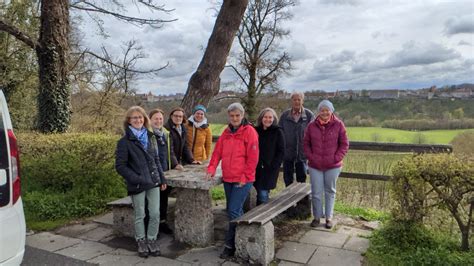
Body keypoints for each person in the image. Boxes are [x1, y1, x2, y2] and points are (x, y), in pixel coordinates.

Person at [206, 102, 259, 259]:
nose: (235, 118)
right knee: (234, 210)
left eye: (237, 115)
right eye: (232, 116)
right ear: (229, 116)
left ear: (242, 115)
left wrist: (244, 176)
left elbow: (253, 158)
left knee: (233, 210)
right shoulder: (226, 132)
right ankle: (243, 238)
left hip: (243, 179)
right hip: (228, 178)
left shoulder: (249, 131)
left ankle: (230, 245)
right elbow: (217, 153)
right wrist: (211, 168)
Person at [115, 106, 167, 257]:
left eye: (140, 117)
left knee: (155, 213)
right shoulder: (124, 142)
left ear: (144, 119)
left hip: (153, 182)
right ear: (129, 121)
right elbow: (120, 166)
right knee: (140, 214)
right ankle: (141, 241)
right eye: (134, 118)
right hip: (137, 183)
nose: (138, 120)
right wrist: (135, 178)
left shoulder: (151, 137)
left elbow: (156, 160)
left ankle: (151, 239)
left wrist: (162, 178)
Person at [303, 100, 349, 229]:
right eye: (322, 110)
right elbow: (306, 143)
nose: (324, 112)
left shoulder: (339, 125)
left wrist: (336, 158)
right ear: (319, 111)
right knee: (316, 192)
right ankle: (317, 217)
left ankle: (329, 218)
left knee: (330, 191)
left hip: (333, 166)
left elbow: (344, 144)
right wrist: (311, 157)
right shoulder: (311, 126)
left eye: (327, 110)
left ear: (331, 111)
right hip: (315, 165)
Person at [279, 91, 314, 186]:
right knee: (287, 179)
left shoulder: (308, 115)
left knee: (302, 179)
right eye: (295, 99)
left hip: (302, 154)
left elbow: (313, 133)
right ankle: (289, 200)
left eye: (299, 99)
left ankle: (302, 201)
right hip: (287, 154)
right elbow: (280, 132)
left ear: (302, 101)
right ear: (291, 101)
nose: (297, 102)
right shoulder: (285, 115)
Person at [149, 108, 175, 235]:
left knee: (164, 199)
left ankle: (163, 222)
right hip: (153, 173)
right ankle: (154, 226)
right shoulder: (148, 134)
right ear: (150, 120)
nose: (158, 121)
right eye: (156, 119)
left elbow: (170, 152)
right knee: (153, 202)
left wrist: (176, 165)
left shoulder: (165, 133)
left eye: (160, 119)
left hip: (165, 171)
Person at [254, 108, 285, 205]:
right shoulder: (255, 131)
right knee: (256, 192)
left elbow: (281, 151)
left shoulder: (278, 132)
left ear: (274, 118)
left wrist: (274, 165)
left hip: (270, 168)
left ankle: (262, 217)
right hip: (256, 168)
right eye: (265, 117)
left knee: (263, 193)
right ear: (261, 118)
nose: (268, 119)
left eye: (270, 117)